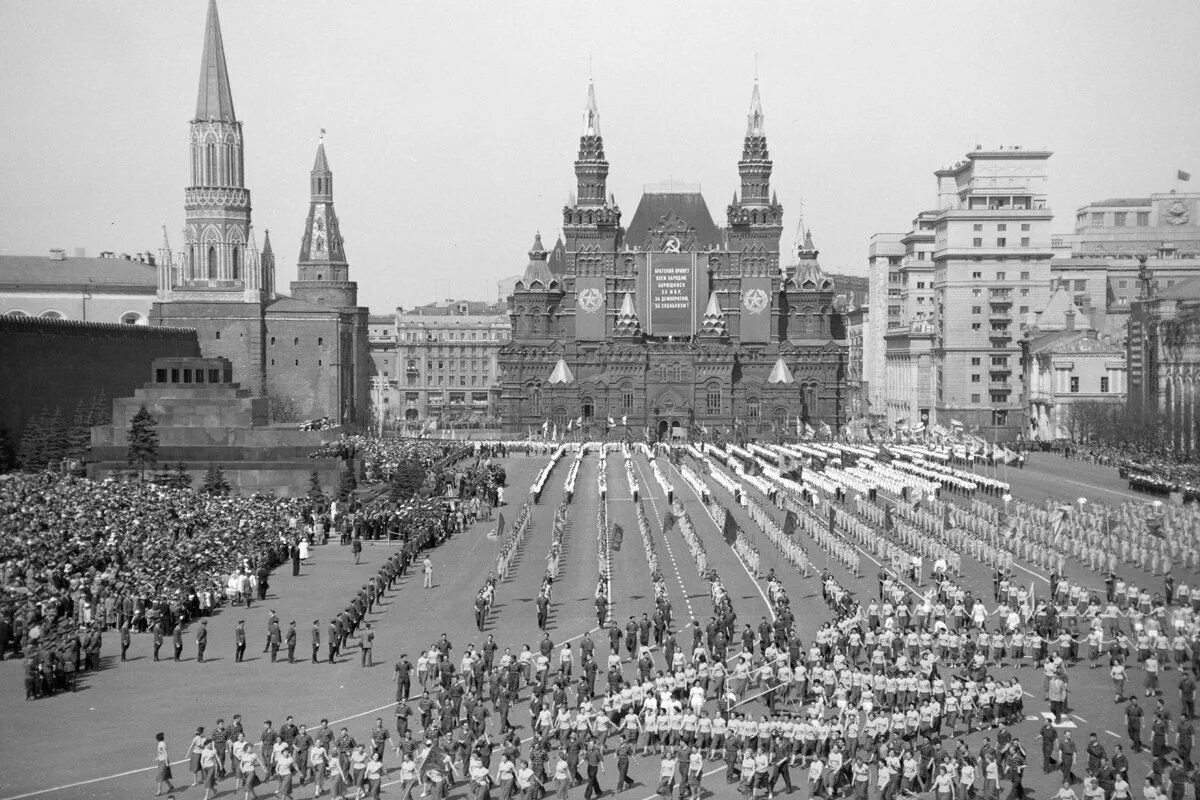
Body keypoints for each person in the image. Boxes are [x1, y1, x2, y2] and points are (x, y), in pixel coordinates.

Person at [155, 732, 176, 797]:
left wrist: (166, 763)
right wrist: (156, 758)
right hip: (161, 761)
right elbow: (161, 753)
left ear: (157, 739)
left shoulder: (161, 745)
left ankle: (158, 791)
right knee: (163, 776)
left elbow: (165, 754)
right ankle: (170, 786)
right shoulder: (161, 743)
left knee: (159, 776)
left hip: (163, 762)